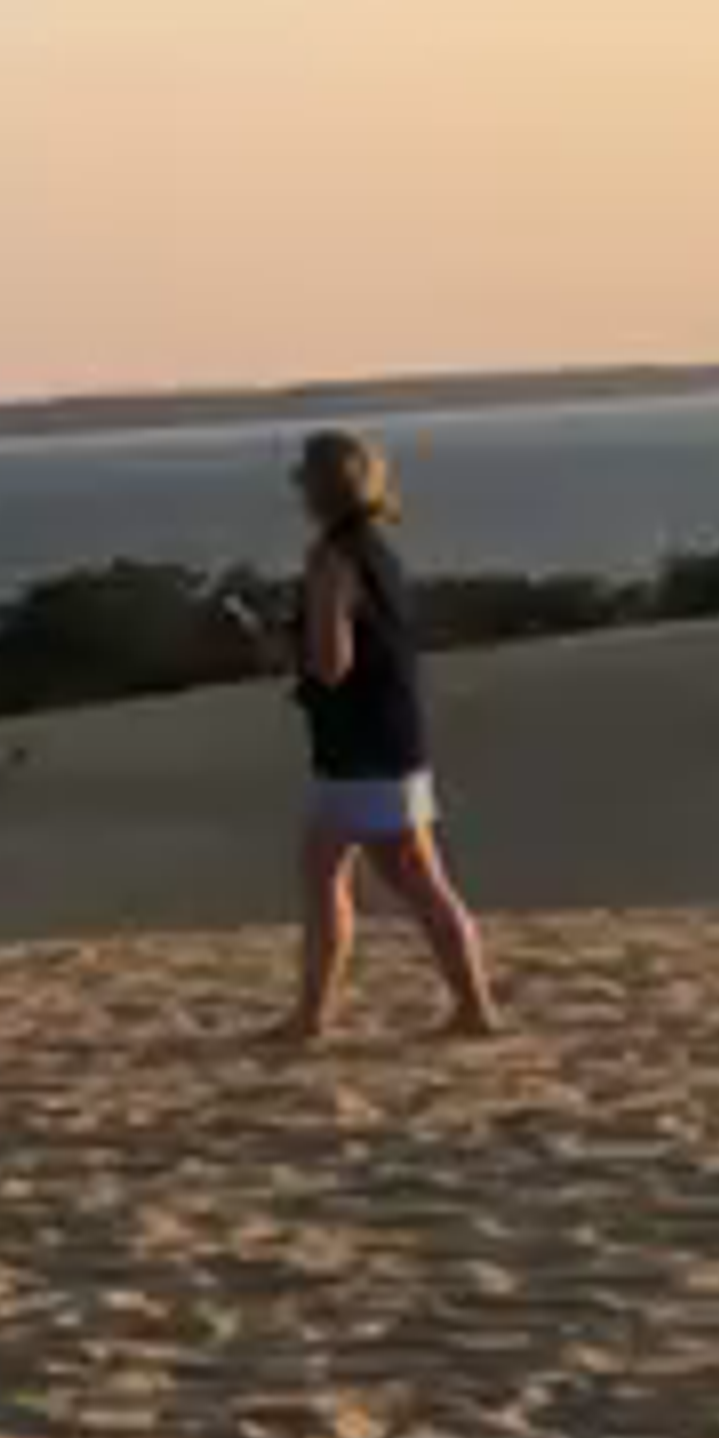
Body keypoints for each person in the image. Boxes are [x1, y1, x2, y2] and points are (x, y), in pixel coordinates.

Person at [284, 428, 497, 1050]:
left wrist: (285, 649)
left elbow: (330, 663)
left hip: (358, 743)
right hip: (391, 732)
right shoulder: (377, 549)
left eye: (303, 475)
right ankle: (467, 1007)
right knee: (398, 874)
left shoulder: (331, 557)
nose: (296, 485)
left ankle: (316, 1017)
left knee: (356, 875)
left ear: (321, 486)